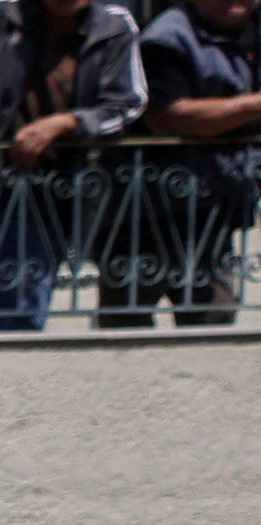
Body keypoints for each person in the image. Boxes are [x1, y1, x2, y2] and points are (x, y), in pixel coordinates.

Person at [0, 0, 154, 326]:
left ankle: (14, 364)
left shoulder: (112, 26)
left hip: (51, 190)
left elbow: (129, 102)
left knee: (24, 311)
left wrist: (68, 123)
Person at [137, 0, 261, 319]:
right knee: (127, 317)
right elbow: (170, 117)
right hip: (146, 210)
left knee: (214, 315)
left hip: (221, 203)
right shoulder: (166, 37)